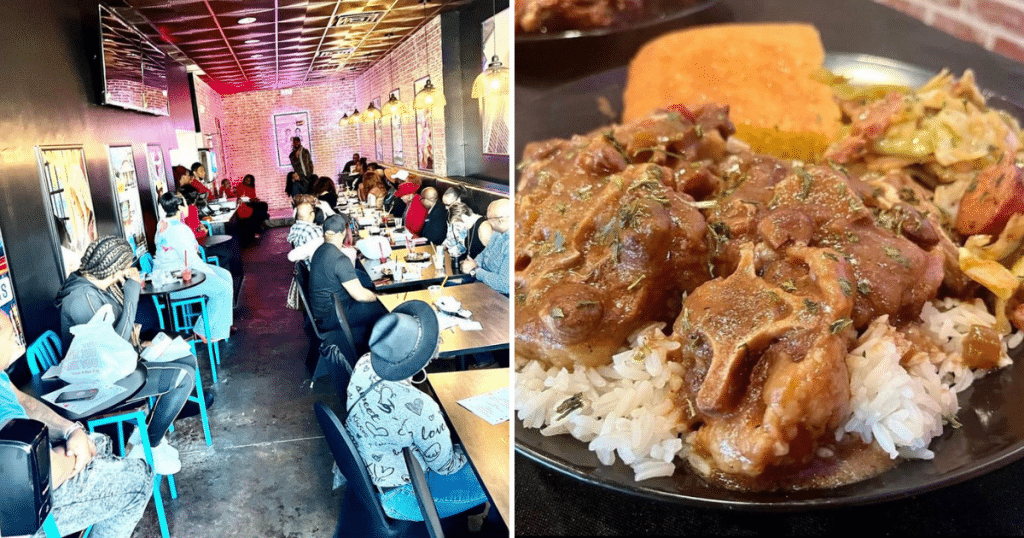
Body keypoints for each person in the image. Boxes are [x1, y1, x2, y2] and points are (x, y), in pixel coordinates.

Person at [0, 312, 154, 538]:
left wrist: (70, 430)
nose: (16, 341)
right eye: (11, 335)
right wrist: (75, 456)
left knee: (98, 441)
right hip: (19, 516)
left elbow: (24, 401)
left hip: (28, 477)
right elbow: (32, 476)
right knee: (141, 479)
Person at [54, 236, 197, 474]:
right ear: (113, 268)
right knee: (182, 377)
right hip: (100, 382)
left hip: (117, 367)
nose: (126, 273)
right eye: (123, 267)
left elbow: (117, 337)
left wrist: (141, 341)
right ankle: (148, 445)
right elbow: (113, 347)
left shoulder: (96, 286)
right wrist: (131, 292)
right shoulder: (80, 297)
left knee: (188, 360)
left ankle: (151, 433)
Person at [345, 302, 489, 526]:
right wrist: (471, 449)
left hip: (373, 475)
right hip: (404, 497)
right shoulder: (421, 407)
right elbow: (446, 467)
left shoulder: (364, 362)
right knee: (497, 477)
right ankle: (489, 522)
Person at [154, 193, 235, 343]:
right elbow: (191, 260)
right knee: (223, 287)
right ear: (179, 207)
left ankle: (220, 327)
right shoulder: (178, 230)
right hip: (174, 284)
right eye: (184, 203)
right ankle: (203, 329)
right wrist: (211, 274)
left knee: (225, 275)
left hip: (174, 275)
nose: (187, 206)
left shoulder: (164, 224)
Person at [308, 214, 387, 354]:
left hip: (322, 312)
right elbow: (360, 296)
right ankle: (376, 351)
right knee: (385, 307)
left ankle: (370, 344)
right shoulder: (339, 258)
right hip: (334, 316)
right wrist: (380, 296)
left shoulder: (320, 251)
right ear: (343, 233)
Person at [461, 199, 510, 295]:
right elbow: (485, 254)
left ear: (499, 220)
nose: (487, 222)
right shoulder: (497, 233)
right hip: (483, 286)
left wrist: (475, 270)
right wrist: (473, 263)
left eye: (488, 218)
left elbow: (505, 285)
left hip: (500, 297)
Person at [286, 195, 324, 264]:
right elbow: (324, 252)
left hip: (305, 265)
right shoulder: (313, 231)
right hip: (316, 267)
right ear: (312, 215)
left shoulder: (294, 227)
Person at [234, 174, 271, 243]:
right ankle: (259, 225)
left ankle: (261, 221)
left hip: (251, 202)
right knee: (259, 212)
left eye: (250, 181)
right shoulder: (240, 186)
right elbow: (240, 196)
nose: (248, 181)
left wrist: (255, 199)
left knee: (264, 205)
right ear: (244, 180)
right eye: (247, 180)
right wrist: (249, 199)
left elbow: (252, 196)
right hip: (245, 203)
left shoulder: (252, 187)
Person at [441, 186, 470, 259]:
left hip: (459, 258)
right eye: (444, 205)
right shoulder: (451, 213)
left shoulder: (462, 218)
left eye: (448, 205)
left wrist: (447, 253)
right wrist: (443, 246)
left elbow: (461, 247)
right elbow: (450, 236)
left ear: (459, 200)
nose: (446, 208)